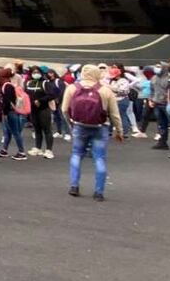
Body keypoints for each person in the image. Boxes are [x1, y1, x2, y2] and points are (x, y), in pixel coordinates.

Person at [63, 64, 123, 201]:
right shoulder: (105, 90)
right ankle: (99, 192)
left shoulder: (72, 88)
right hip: (100, 127)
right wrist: (119, 131)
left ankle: (74, 186)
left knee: (77, 155)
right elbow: (114, 114)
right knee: (100, 158)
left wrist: (71, 124)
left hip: (79, 126)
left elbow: (64, 109)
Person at [25, 65, 57, 159]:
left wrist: (40, 101)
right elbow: (26, 95)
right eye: (34, 72)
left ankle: (49, 150)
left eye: (37, 72)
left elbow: (51, 95)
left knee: (47, 130)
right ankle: (38, 148)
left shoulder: (45, 83)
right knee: (37, 129)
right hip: (33, 110)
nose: (36, 74)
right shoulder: (29, 83)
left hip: (43, 109)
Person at [0, 67, 29, 161]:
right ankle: (4, 150)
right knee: (8, 132)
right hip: (10, 112)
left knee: (15, 132)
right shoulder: (8, 85)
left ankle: (21, 152)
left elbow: (7, 101)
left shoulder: (7, 86)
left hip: (10, 112)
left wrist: (5, 113)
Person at [107, 64, 135, 141]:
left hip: (122, 100)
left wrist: (111, 88)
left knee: (122, 116)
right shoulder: (112, 81)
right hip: (113, 100)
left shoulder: (123, 81)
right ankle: (109, 131)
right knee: (110, 116)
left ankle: (124, 132)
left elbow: (123, 91)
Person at [150, 62, 170, 150]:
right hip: (156, 104)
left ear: (164, 68)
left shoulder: (169, 78)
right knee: (161, 125)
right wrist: (151, 99)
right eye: (156, 66)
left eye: (159, 67)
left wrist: (168, 100)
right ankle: (162, 143)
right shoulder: (154, 78)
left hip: (167, 104)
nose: (156, 68)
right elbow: (151, 90)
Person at [48, 69, 71, 141]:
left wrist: (58, 99)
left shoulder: (58, 81)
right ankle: (59, 131)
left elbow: (63, 91)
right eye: (48, 73)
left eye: (51, 73)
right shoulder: (48, 82)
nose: (50, 74)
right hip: (53, 102)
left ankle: (68, 133)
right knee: (56, 117)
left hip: (60, 101)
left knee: (63, 117)